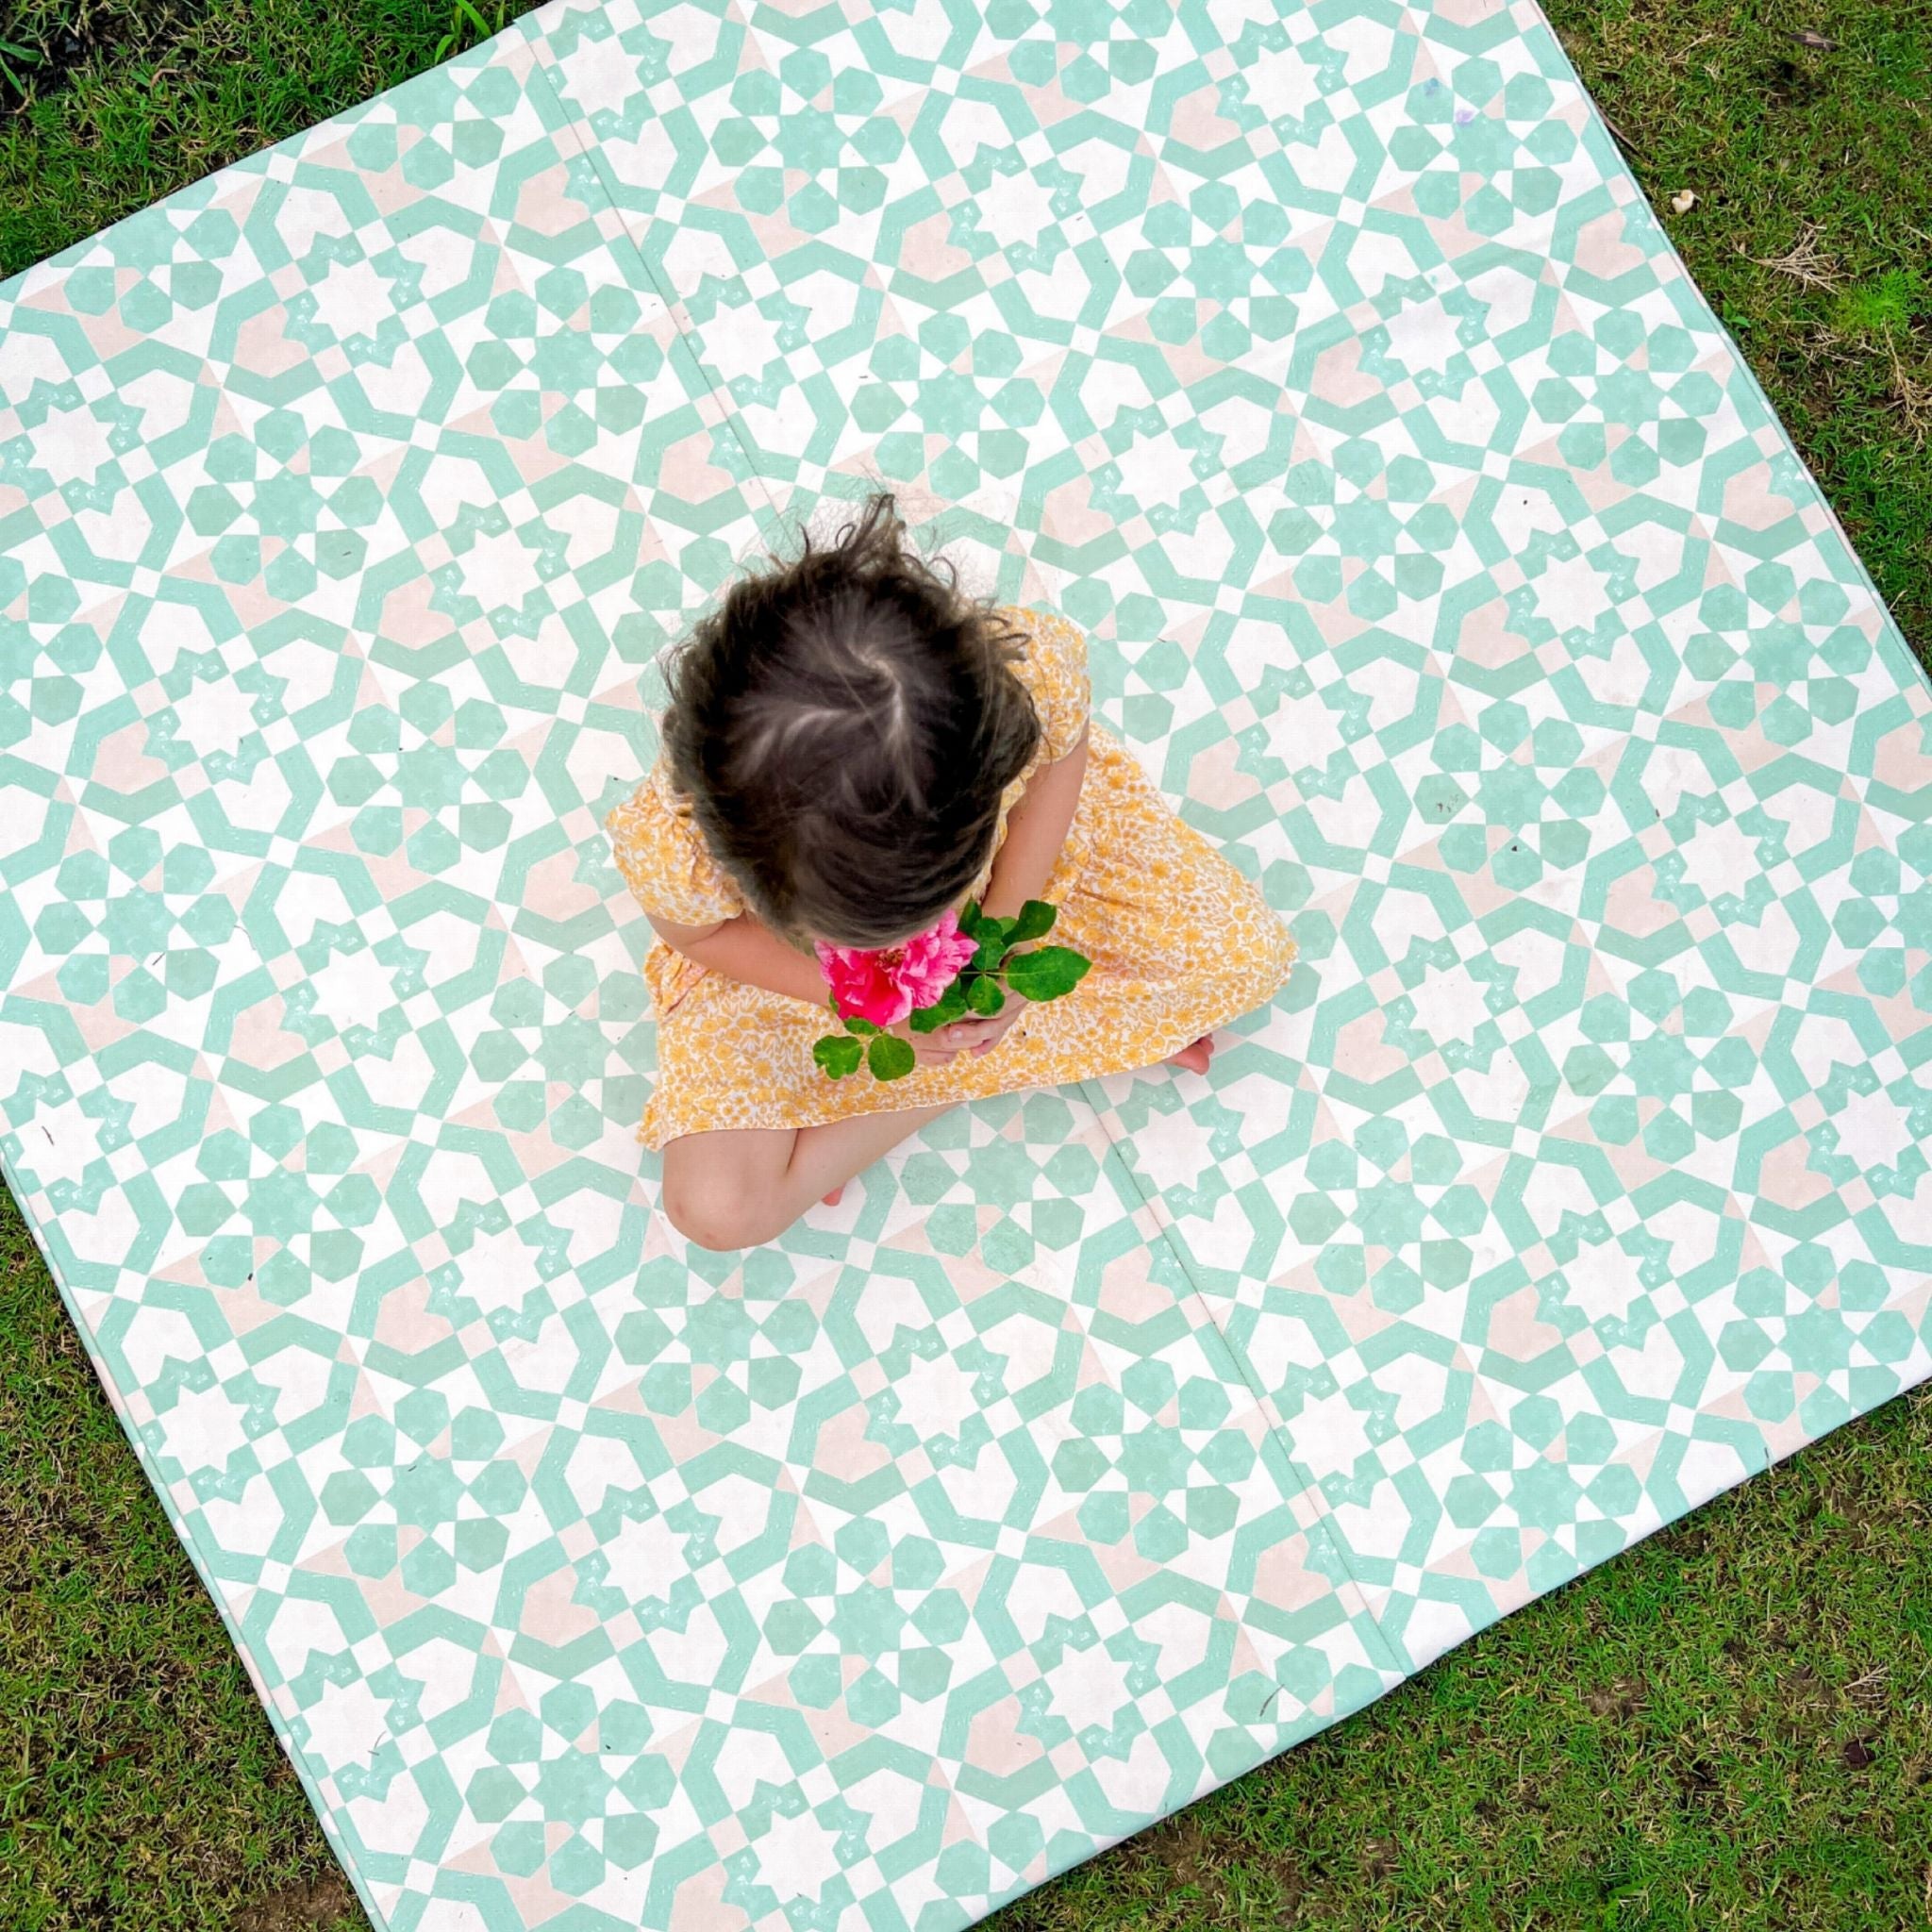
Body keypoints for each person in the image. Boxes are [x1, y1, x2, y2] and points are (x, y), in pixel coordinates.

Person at [606, 491, 1297, 1250]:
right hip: (797, 982)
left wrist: (995, 936)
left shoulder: (1024, 683)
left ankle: (902, 1079)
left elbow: (1063, 763)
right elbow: (698, 936)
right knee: (716, 1210)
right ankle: (984, 1057)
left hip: (1024, 873)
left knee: (1247, 962)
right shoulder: (674, 841)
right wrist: (867, 1006)